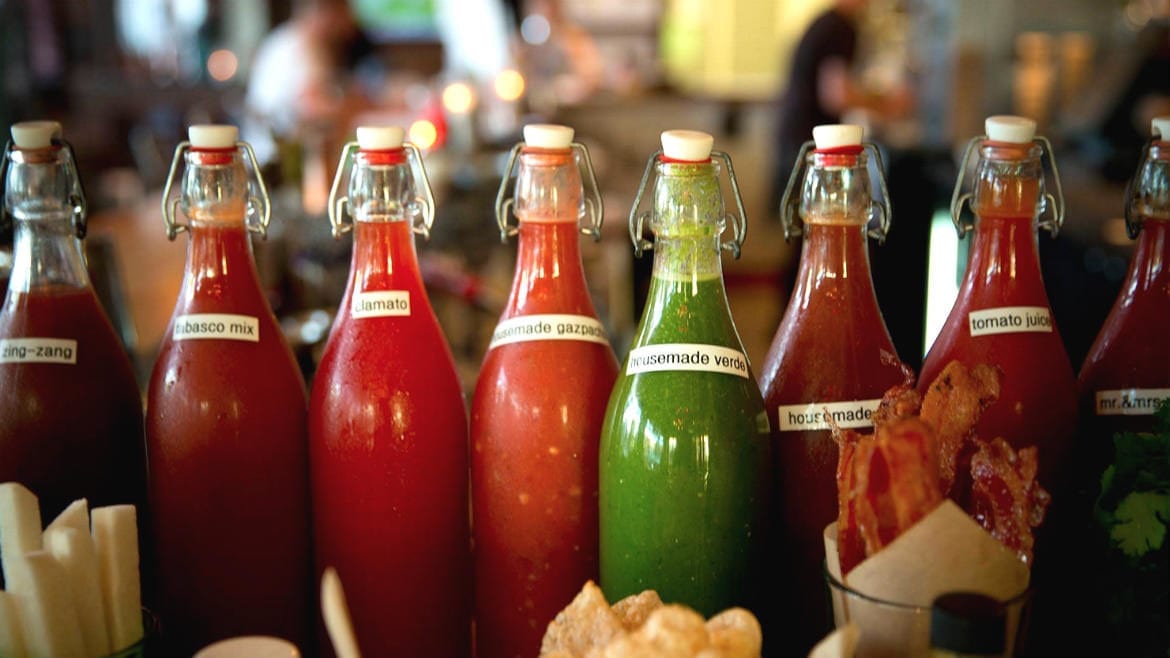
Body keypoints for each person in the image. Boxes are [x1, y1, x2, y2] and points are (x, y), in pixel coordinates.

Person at [770, 0, 911, 212]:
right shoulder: (839, 27)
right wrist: (886, 104)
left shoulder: (826, 22)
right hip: (813, 148)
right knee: (818, 219)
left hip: (796, 139)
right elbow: (836, 95)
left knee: (803, 222)